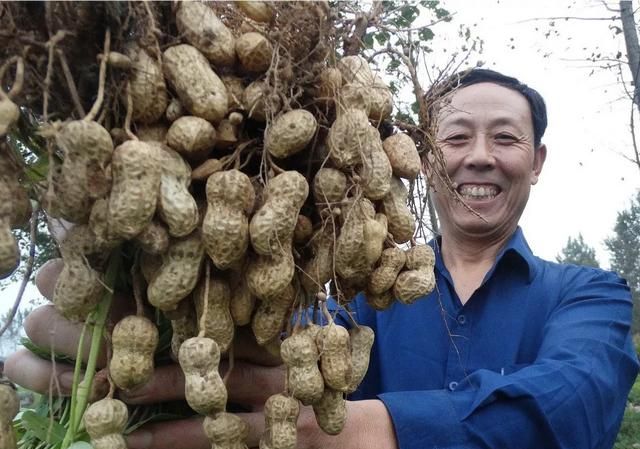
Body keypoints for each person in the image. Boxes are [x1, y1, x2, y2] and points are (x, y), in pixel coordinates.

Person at [5, 68, 639, 449]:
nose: (478, 157)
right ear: (420, 152)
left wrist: (355, 432)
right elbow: (244, 359)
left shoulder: (588, 294)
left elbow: (575, 401)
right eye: (454, 136)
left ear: (537, 161)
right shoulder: (335, 290)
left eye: (506, 137)